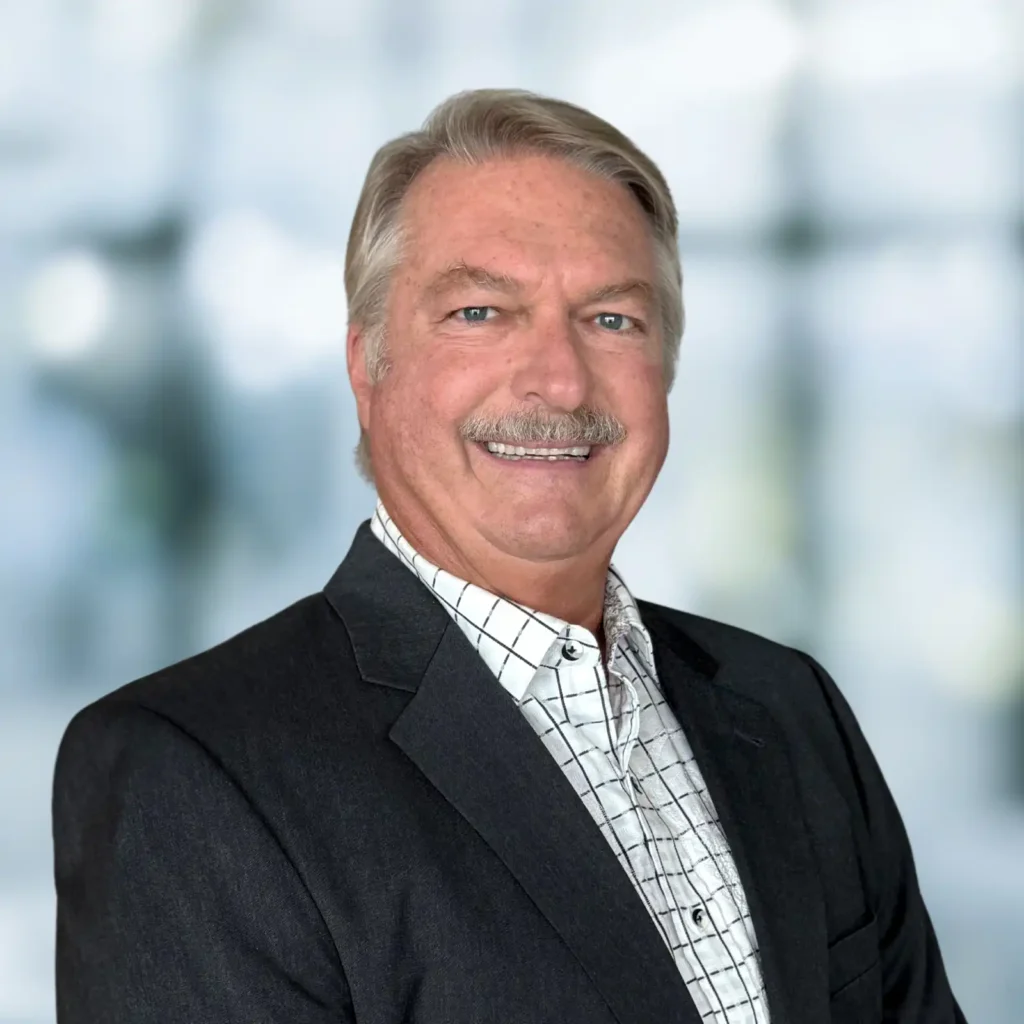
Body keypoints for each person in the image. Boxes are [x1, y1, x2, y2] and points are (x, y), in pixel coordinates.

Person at [52, 88, 966, 1024]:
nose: (560, 382)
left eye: (612, 320)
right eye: (481, 311)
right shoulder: (191, 773)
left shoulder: (790, 710)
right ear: (367, 367)